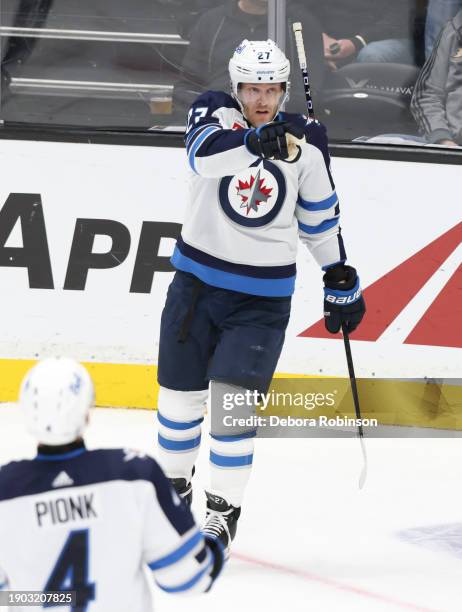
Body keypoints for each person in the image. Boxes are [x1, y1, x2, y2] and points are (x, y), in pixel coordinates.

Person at [157, 39, 365, 555]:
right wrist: (258, 143)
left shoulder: (307, 140)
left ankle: (221, 513)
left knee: (232, 413)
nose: (262, 99)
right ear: (237, 86)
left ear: (284, 88)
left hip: (260, 302)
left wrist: (338, 273)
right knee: (178, 406)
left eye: (271, 89)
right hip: (196, 288)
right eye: (252, 88)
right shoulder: (212, 110)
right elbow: (203, 159)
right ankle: (172, 493)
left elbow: (319, 220)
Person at [0, 358, 223, 610]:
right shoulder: (134, 475)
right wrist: (211, 551)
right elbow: (189, 578)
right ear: (87, 410)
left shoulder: (5, 490)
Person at [176, 0, 325, 114]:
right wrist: (214, 112)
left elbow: (309, 90)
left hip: (279, 132)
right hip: (218, 127)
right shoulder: (211, 22)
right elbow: (187, 86)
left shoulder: (300, 25)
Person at [306, 0, 416, 68]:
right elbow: (300, 9)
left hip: (391, 36)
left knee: (372, 55)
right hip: (332, 40)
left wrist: (357, 42)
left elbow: (399, 18)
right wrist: (319, 36)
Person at [411, 9, 462, 146]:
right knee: (376, 142)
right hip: (451, 147)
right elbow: (427, 95)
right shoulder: (455, 28)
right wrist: (444, 140)